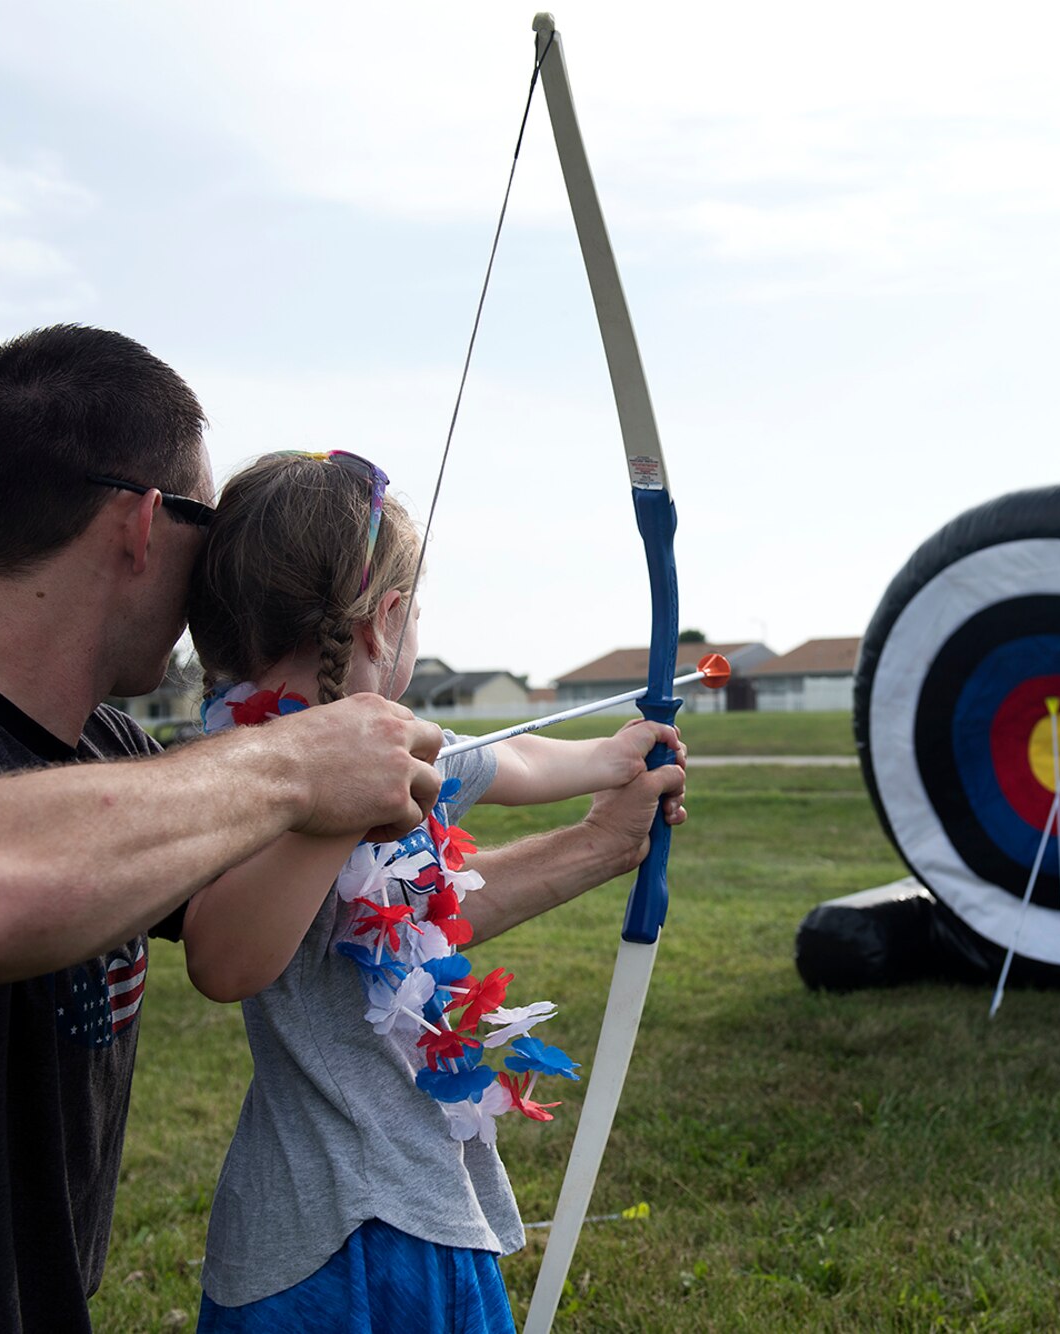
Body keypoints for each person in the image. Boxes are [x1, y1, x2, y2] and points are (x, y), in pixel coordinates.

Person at [0, 326, 686, 1333]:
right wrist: (300, 764)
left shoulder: (122, 758)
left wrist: (601, 838)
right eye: (214, 522)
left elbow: (357, 918)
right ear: (146, 526)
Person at [177, 450, 685, 1332]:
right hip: (352, 1234)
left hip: (383, 1202)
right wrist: (334, 808)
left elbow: (515, 757)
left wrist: (610, 758)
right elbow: (224, 961)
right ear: (389, 621)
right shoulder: (238, 773)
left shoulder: (400, 745)